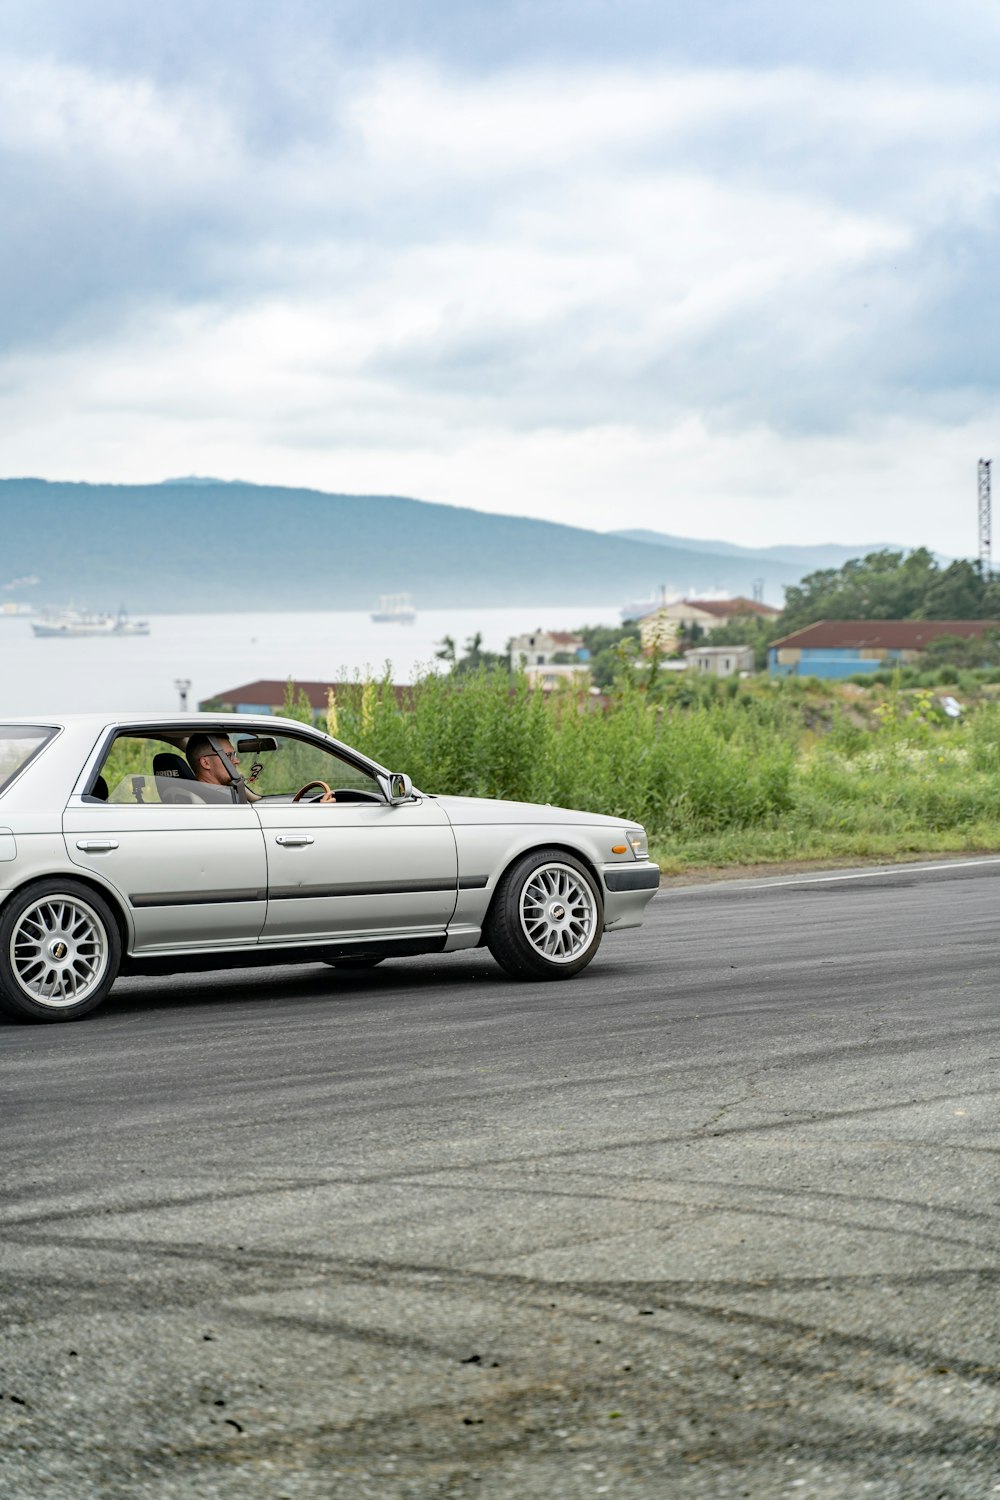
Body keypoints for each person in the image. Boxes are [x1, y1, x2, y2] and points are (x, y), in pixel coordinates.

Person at [185, 733, 261, 801]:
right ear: (206, 763)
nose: (237, 761)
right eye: (229, 755)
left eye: (234, 754)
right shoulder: (218, 801)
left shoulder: (192, 793)